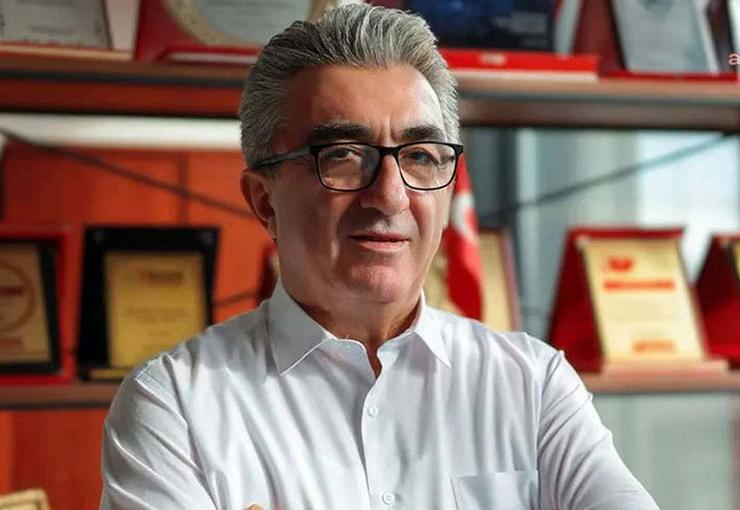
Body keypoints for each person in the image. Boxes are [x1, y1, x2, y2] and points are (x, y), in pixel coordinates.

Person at [100, 4, 659, 509]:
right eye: (343, 155)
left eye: (420, 156)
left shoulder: (532, 385)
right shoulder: (175, 404)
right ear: (264, 201)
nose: (391, 195)